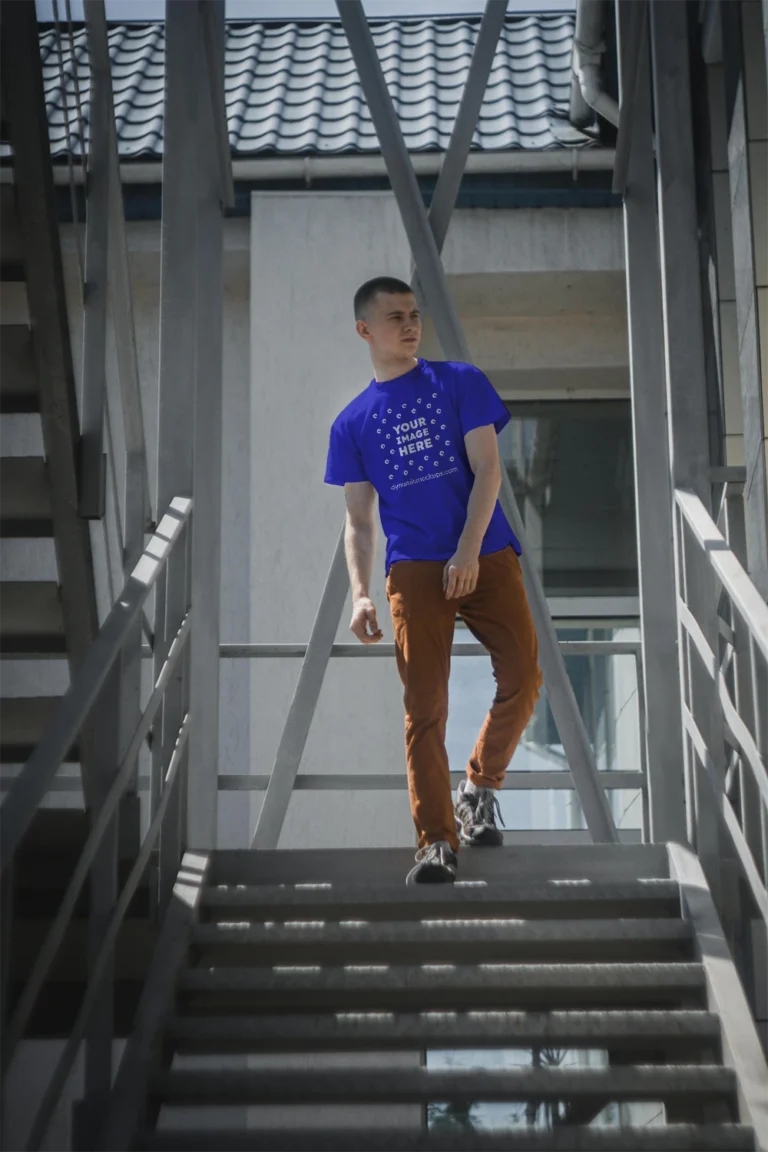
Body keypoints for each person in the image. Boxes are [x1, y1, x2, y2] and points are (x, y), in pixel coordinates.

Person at [324, 276, 542, 885]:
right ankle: (437, 843)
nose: (411, 324)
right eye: (395, 317)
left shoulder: (460, 382)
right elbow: (359, 520)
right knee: (425, 708)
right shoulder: (353, 423)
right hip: (414, 569)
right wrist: (361, 591)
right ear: (365, 330)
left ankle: (478, 786)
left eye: (414, 314)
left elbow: (488, 471)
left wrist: (469, 550)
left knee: (524, 677)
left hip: (487, 552)